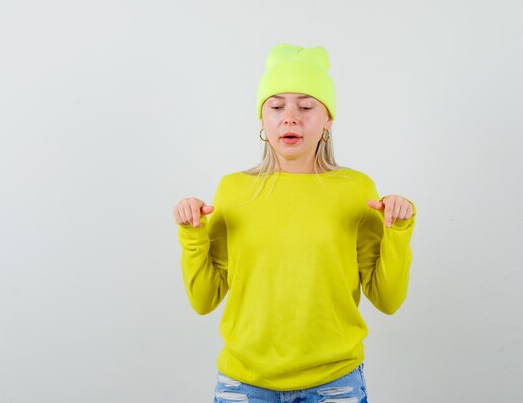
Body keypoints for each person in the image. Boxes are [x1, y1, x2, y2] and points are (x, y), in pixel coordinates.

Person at [172, 43, 416, 403]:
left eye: (305, 106)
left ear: (328, 119)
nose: (290, 118)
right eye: (276, 106)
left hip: (334, 383)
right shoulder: (233, 190)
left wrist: (398, 230)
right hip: (244, 384)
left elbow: (388, 299)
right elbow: (204, 300)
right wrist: (192, 234)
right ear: (262, 119)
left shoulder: (356, 189)